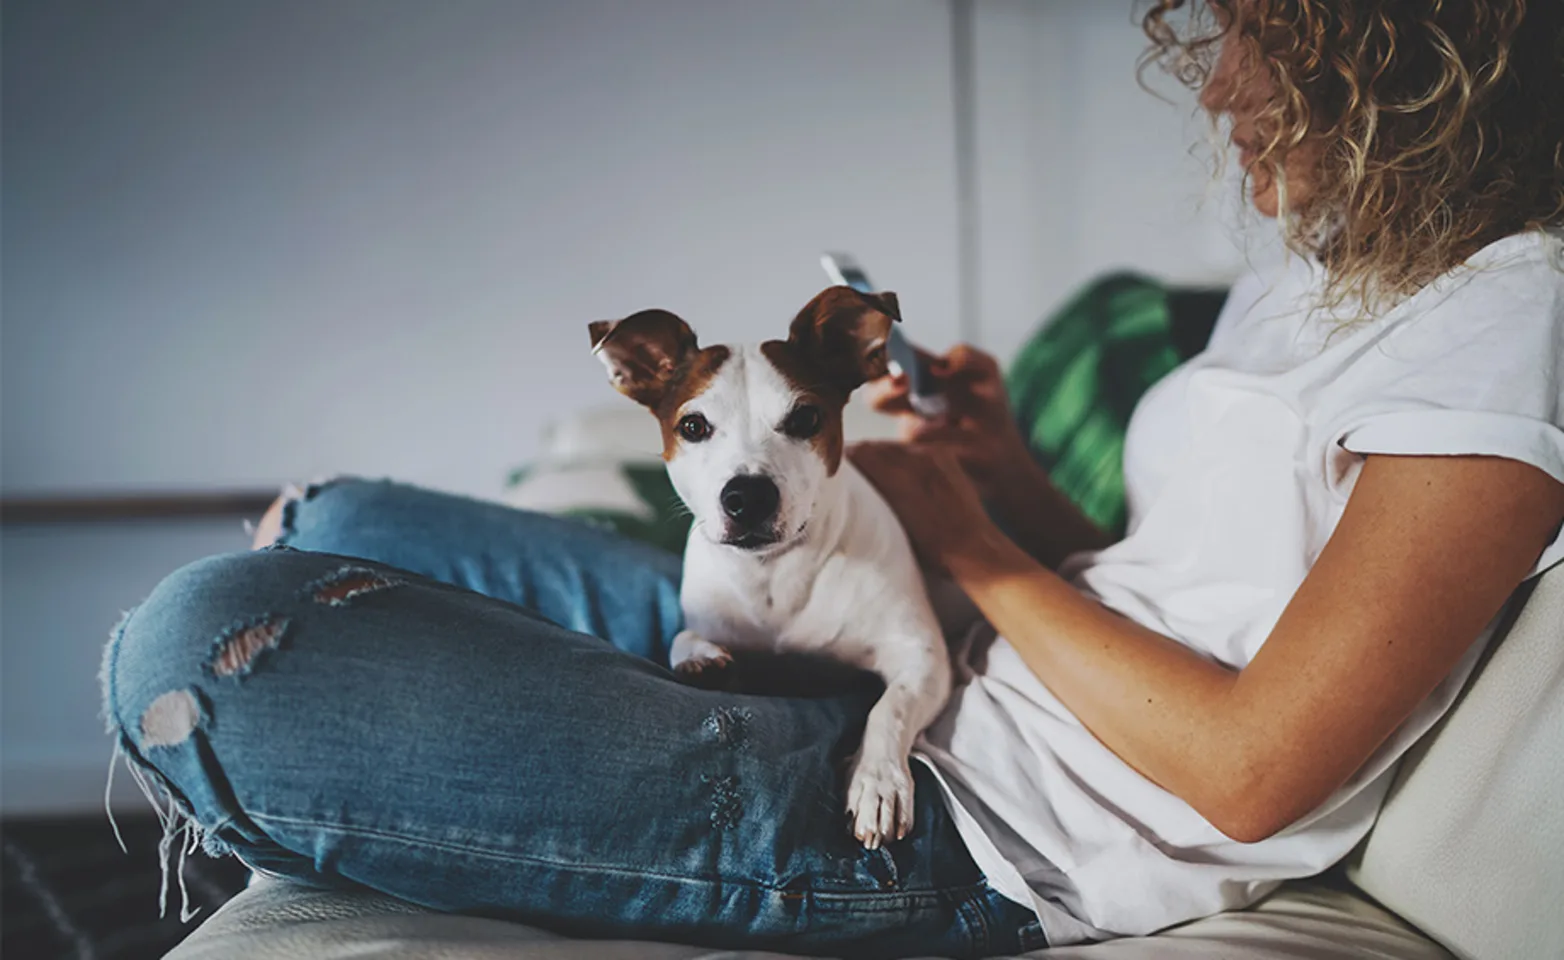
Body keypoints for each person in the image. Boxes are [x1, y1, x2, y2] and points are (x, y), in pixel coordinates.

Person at [102, 2, 1563, 956]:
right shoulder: (1331, 277)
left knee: (213, 645)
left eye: (1267, 34)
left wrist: (974, 547)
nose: (1222, 83)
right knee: (348, 518)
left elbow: (1260, 769)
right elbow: (1189, 575)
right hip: (950, 651)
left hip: (984, 819)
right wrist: (1007, 479)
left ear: (1419, 52)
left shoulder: (1513, 321)